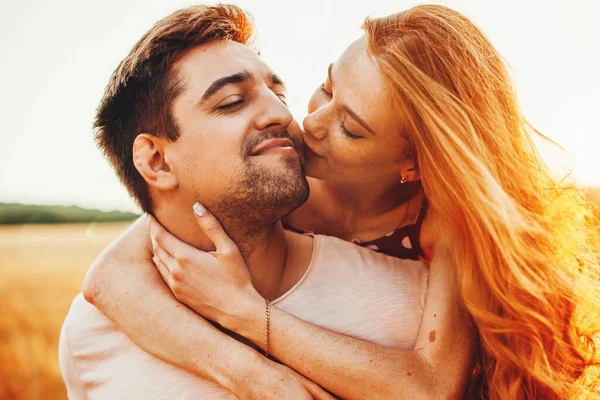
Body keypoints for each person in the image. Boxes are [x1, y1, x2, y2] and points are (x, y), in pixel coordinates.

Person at [85, 3, 600, 400]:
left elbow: (429, 386)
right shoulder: (278, 181)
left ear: (414, 166)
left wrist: (246, 312)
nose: (308, 123)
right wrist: (254, 376)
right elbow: (111, 278)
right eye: (325, 89)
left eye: (350, 128)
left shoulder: (442, 220)